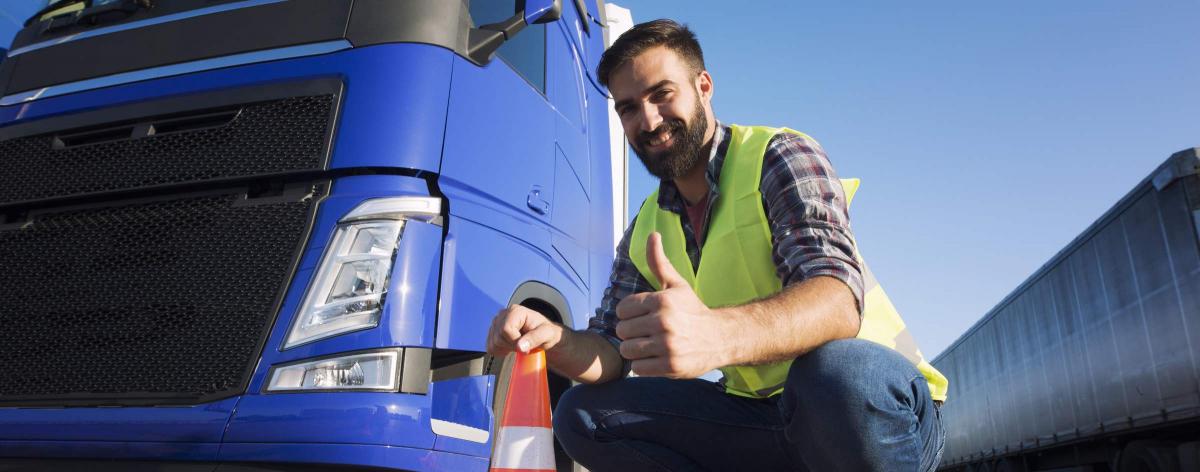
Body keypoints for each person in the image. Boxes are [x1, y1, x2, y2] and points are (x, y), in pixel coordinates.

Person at [486, 19, 946, 471]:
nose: (648, 120)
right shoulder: (648, 224)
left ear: (703, 86)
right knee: (582, 415)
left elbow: (838, 300)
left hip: (874, 412)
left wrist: (716, 336)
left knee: (838, 374)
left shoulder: (778, 156)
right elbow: (610, 349)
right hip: (762, 419)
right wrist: (555, 339)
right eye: (627, 108)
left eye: (661, 95)